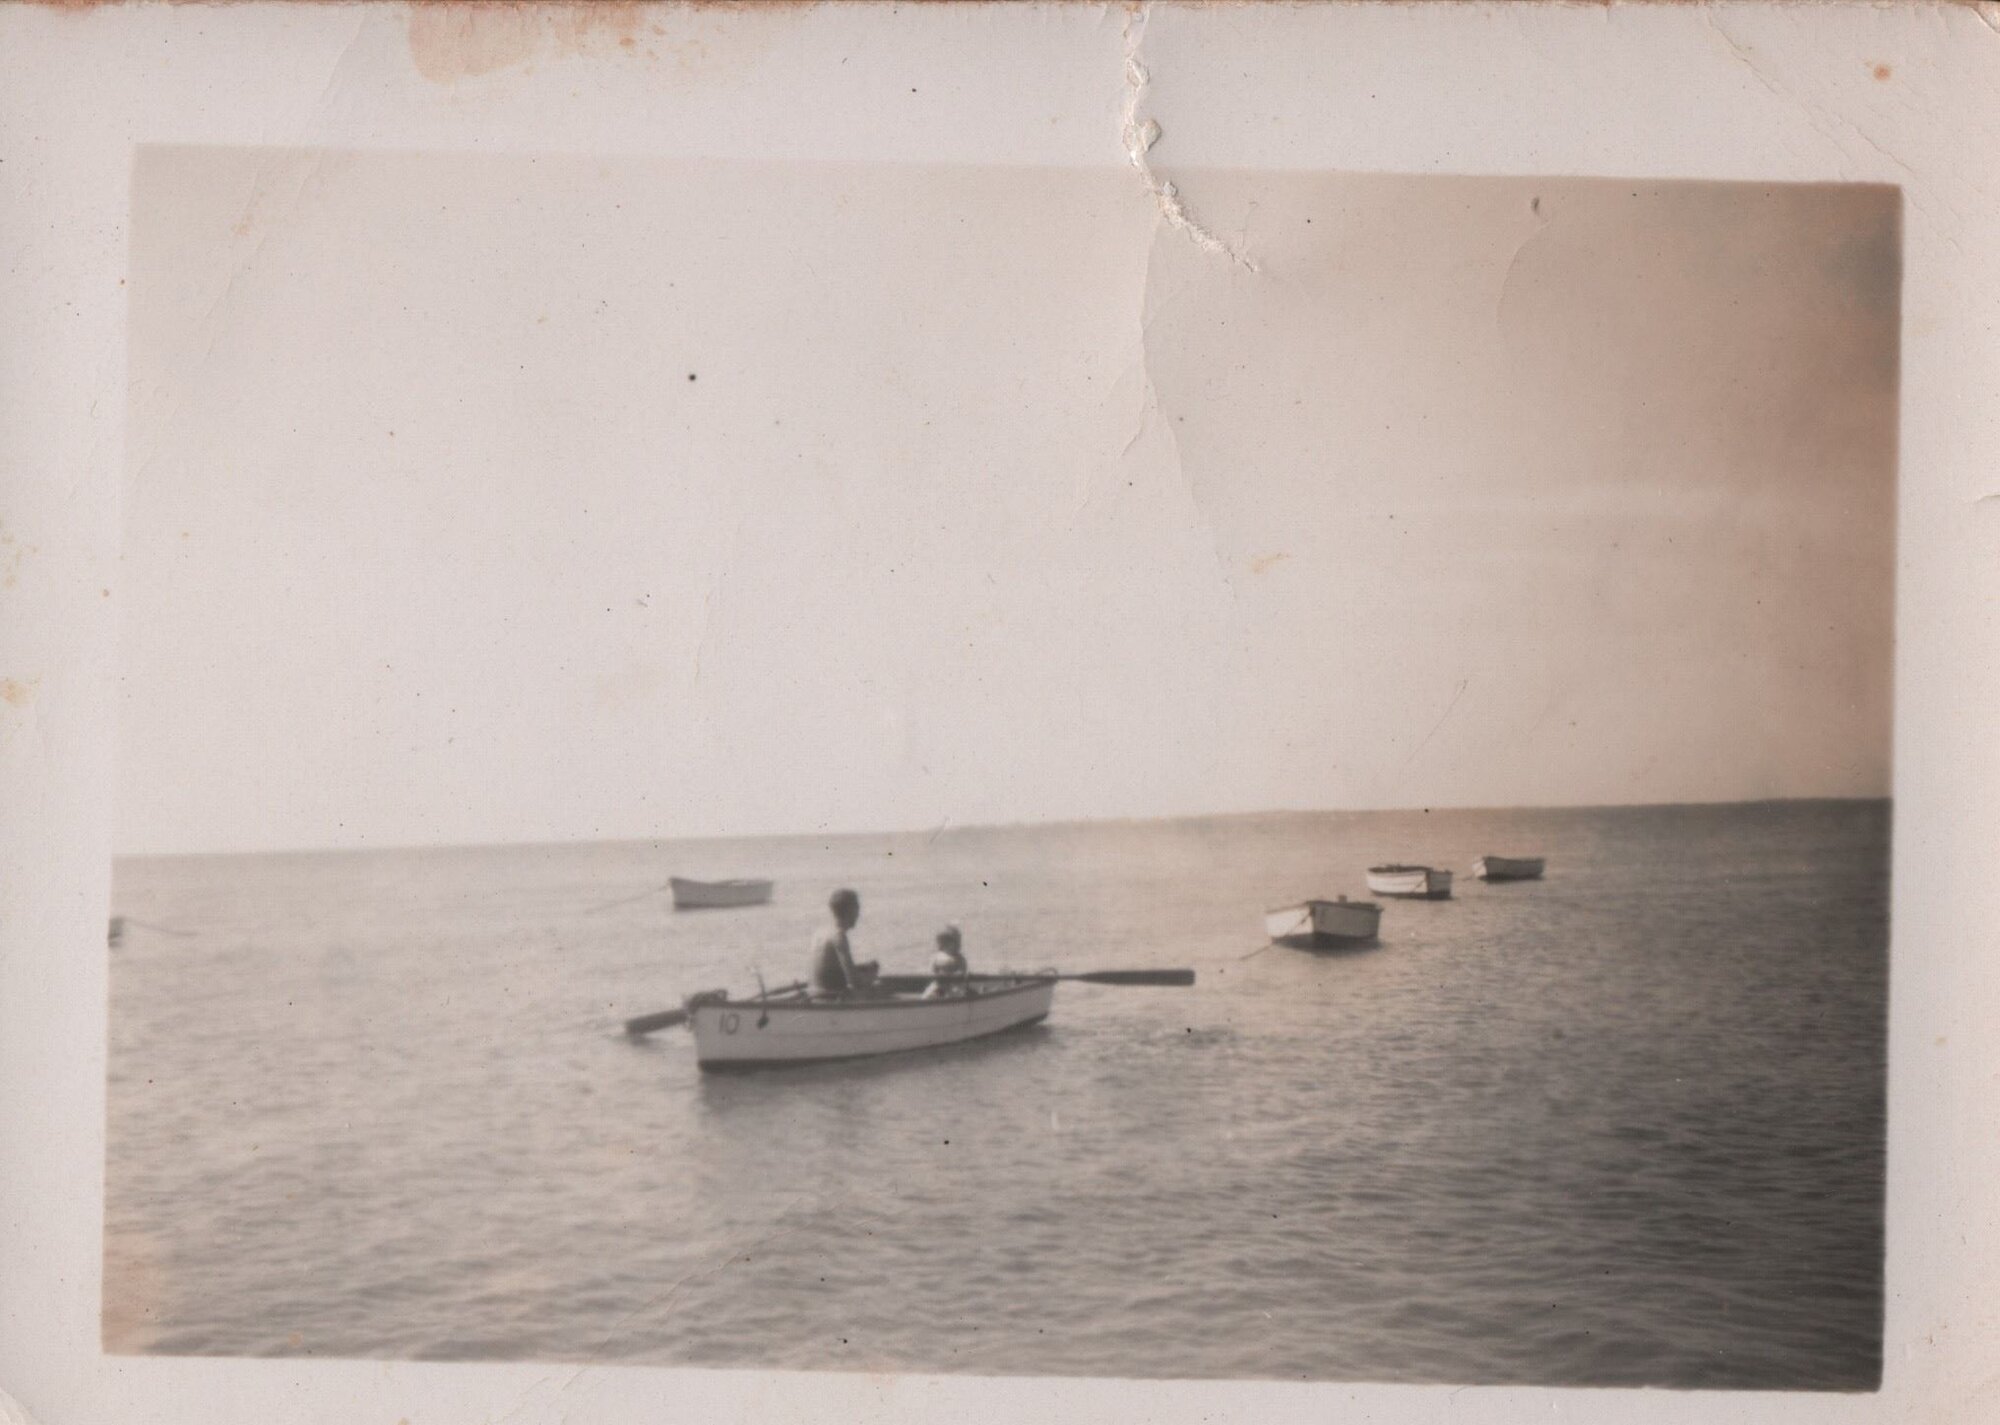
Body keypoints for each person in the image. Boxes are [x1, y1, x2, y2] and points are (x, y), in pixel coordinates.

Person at [809, 888, 879, 998]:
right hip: (829, 998)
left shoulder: (820, 933)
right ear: (850, 911)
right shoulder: (839, 936)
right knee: (882, 988)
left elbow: (834, 969)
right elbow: (854, 982)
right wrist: (871, 977)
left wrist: (862, 969)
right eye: (857, 909)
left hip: (813, 993)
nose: (858, 914)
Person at [922, 924, 970, 999]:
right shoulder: (936, 957)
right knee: (927, 995)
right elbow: (932, 971)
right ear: (944, 944)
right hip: (939, 984)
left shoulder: (960, 958)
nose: (959, 944)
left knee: (958, 993)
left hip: (954, 985)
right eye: (956, 942)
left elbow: (963, 970)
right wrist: (937, 975)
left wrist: (957, 974)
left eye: (959, 941)